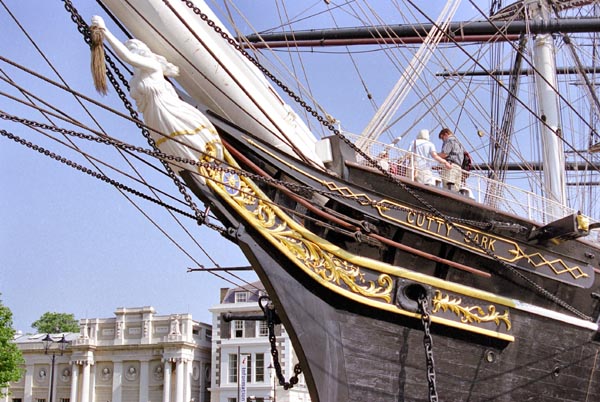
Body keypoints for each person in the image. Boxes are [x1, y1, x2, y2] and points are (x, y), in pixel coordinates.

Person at [90, 16, 223, 178]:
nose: (132, 54)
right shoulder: (135, 79)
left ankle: (207, 172)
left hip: (167, 111)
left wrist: (105, 31)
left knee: (189, 147)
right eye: (129, 49)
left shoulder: (153, 67)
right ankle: (201, 178)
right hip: (153, 120)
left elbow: (127, 57)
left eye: (133, 49)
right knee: (177, 155)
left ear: (142, 52)